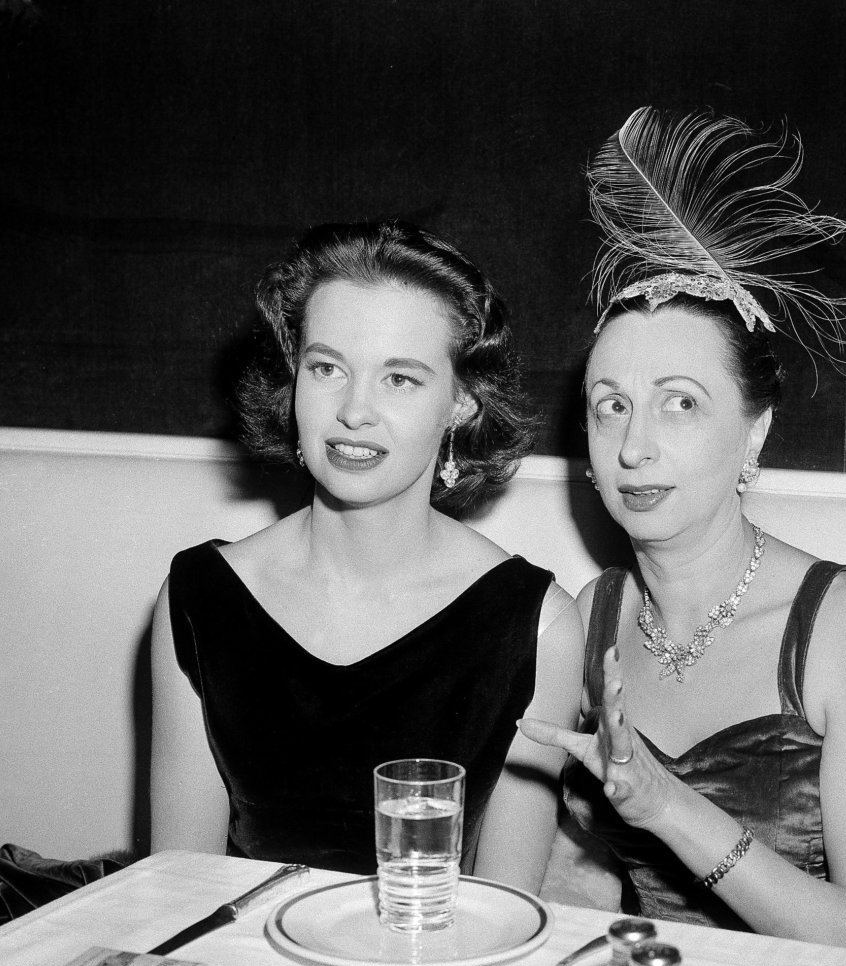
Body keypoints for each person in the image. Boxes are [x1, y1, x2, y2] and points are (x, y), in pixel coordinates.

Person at [522, 108, 846, 966]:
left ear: (754, 433)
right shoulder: (589, 617)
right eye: (609, 406)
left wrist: (667, 807)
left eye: (679, 403)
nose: (634, 448)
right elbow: (576, 886)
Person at [150, 220, 582, 893]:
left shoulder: (537, 627)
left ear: (461, 402)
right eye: (326, 368)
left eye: (400, 379)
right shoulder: (201, 598)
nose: (354, 411)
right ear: (293, 377)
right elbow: (178, 894)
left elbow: (505, 913)